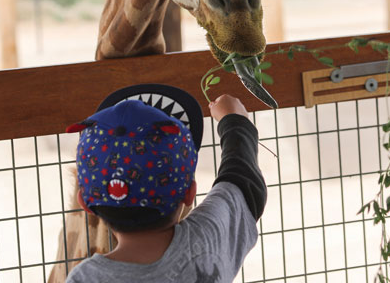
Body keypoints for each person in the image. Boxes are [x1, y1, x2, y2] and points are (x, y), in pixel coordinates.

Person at [65, 92, 266, 283]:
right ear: (190, 194)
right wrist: (234, 119)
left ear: (84, 201)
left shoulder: (85, 278)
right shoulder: (206, 241)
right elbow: (244, 182)